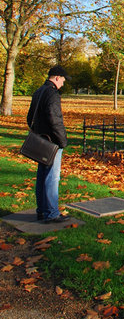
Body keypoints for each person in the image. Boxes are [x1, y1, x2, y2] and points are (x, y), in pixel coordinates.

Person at [27, 66, 71, 223]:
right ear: (57, 77)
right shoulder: (52, 94)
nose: (63, 84)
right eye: (63, 80)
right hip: (52, 141)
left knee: (42, 175)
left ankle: (42, 210)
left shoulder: (39, 91)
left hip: (41, 140)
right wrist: (62, 141)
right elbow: (55, 119)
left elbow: (30, 117)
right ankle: (52, 213)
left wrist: (38, 132)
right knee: (52, 177)